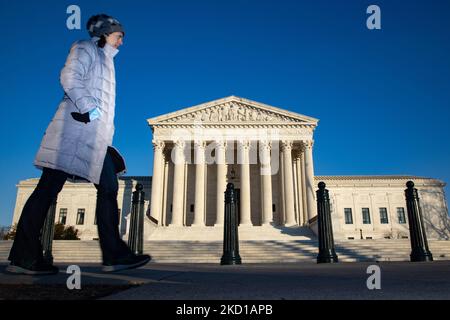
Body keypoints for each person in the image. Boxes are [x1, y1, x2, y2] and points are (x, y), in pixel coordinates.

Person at [7, 14, 151, 275]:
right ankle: (23, 256)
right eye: (119, 37)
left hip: (94, 139)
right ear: (106, 33)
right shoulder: (84, 48)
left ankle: (114, 254)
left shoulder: (107, 62)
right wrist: (90, 110)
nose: (121, 43)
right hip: (72, 134)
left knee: (108, 188)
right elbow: (69, 77)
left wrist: (103, 131)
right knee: (48, 190)